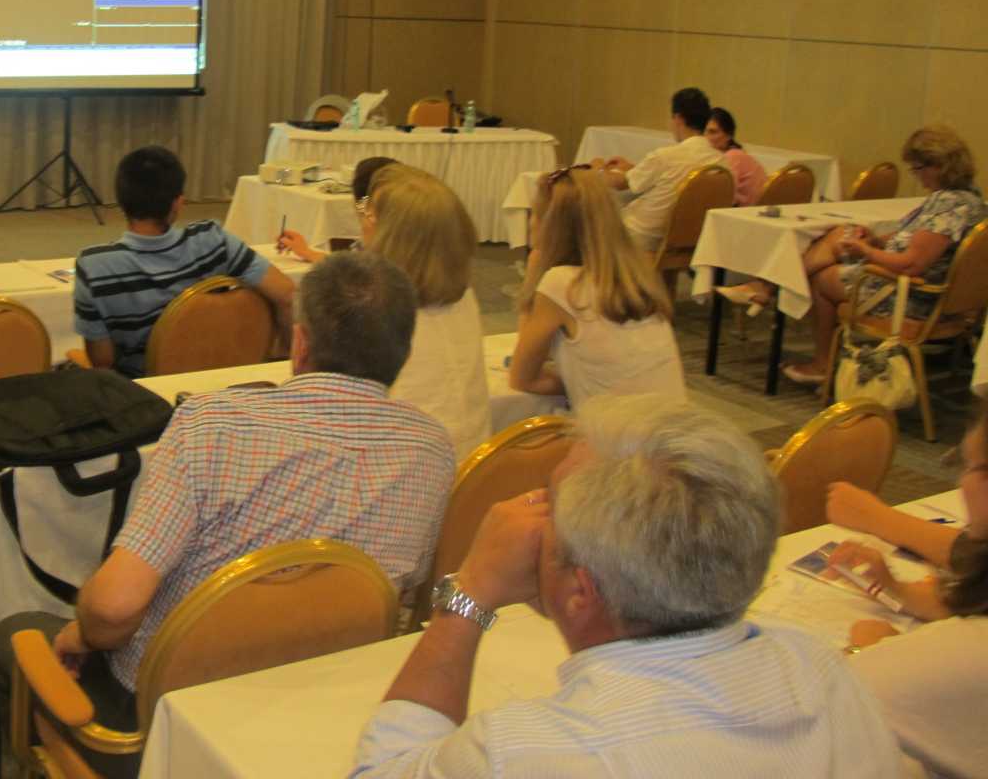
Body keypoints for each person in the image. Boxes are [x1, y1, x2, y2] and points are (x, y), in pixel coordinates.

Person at [0, 251, 457, 754]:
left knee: (14, 634)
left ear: (300, 344)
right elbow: (425, 590)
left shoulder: (211, 425)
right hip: (324, 707)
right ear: (403, 354)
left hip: (167, 716)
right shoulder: (432, 449)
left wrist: (82, 635)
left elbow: (114, 608)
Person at [350, 395, 904, 778]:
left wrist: (468, 594)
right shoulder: (818, 666)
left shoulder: (527, 750)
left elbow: (384, 769)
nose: (530, 514)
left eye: (549, 503)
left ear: (581, 591)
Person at [719, 125, 986, 384]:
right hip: (942, 298)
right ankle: (766, 287)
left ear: (937, 165)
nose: (917, 177)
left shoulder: (947, 206)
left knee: (821, 279)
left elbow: (910, 264)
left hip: (910, 297)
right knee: (839, 235)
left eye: (917, 169)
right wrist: (875, 240)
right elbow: (915, 239)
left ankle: (820, 359)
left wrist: (866, 251)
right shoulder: (971, 198)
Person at [824, 406, 988, 777]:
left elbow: (839, 699)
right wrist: (900, 591)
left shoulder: (965, 652)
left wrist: (871, 648)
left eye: (972, 466)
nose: (962, 483)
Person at [74, 145, 293, 378]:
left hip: (145, 391)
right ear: (178, 203)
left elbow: (103, 361)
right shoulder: (214, 241)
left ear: (121, 201)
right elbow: (288, 295)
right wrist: (283, 359)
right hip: (221, 382)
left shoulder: (94, 267)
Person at [508, 167, 684, 408]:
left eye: (535, 213)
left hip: (621, 427)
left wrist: (533, 271)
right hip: (672, 420)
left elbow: (522, 378)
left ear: (550, 226)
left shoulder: (560, 283)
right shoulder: (637, 274)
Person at [350, 167, 489, 460]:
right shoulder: (463, 295)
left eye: (369, 214)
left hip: (410, 470)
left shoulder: (374, 312)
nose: (362, 221)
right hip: (473, 464)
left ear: (395, 238)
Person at [595, 86, 723, 252]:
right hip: (687, 242)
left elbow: (620, 183)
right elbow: (670, 179)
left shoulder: (665, 157)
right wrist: (633, 168)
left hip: (640, 237)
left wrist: (598, 169)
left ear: (678, 118)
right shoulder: (721, 162)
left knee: (588, 213)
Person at [276, 155, 399, 262]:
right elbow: (354, 264)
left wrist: (307, 252)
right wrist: (307, 252)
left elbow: (357, 270)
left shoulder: (380, 238)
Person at [705, 107, 767, 207]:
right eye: (704, 131)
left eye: (713, 132)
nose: (706, 137)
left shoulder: (732, 157)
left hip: (748, 212)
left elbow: (725, 196)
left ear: (728, 135)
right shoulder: (736, 153)